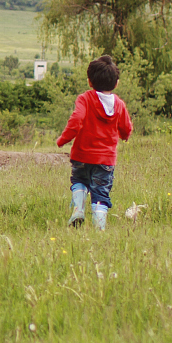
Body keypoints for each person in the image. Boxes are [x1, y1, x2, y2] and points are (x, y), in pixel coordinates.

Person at [56, 54, 132, 230]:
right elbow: (126, 127)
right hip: (105, 160)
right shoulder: (119, 104)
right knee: (100, 193)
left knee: (79, 181)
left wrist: (63, 139)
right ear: (116, 83)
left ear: (90, 82)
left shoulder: (85, 99)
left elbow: (76, 120)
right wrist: (125, 136)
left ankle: (78, 209)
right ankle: (99, 229)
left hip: (81, 155)